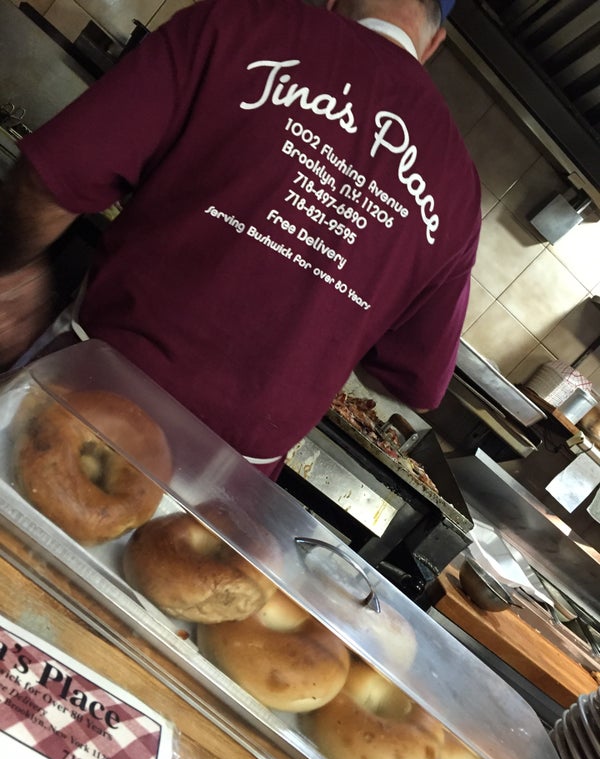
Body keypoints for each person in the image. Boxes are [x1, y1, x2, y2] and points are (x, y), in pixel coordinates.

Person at [0, 0, 481, 480]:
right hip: (221, 489)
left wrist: (13, 267)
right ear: (434, 43)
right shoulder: (459, 190)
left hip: (78, 400)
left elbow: (53, 177)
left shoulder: (240, 26)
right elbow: (414, 383)